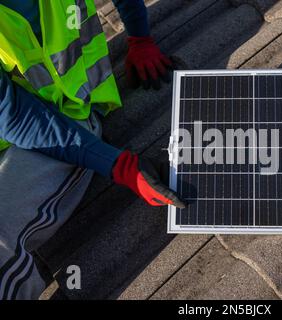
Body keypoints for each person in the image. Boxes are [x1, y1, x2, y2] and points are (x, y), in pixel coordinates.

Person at [0, 0, 186, 300]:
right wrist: (120, 166)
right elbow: (13, 116)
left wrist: (140, 37)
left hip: (65, 125)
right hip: (21, 127)